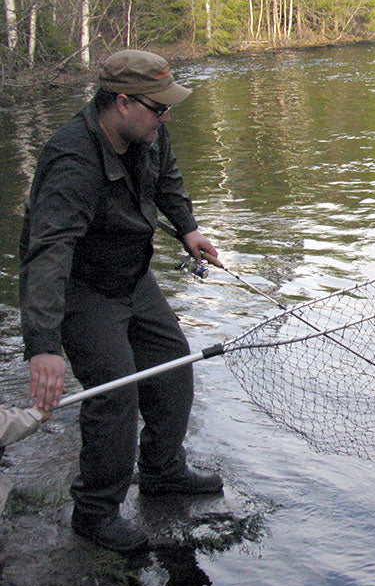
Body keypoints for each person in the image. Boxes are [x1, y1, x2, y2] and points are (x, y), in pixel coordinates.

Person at [20, 49, 224, 553]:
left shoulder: (149, 131)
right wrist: (43, 345)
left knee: (173, 366)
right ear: (122, 102)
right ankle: (94, 513)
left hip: (132, 276)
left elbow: (168, 180)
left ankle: (162, 471)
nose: (166, 115)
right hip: (83, 290)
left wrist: (188, 229)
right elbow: (48, 253)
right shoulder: (72, 159)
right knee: (114, 394)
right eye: (158, 107)